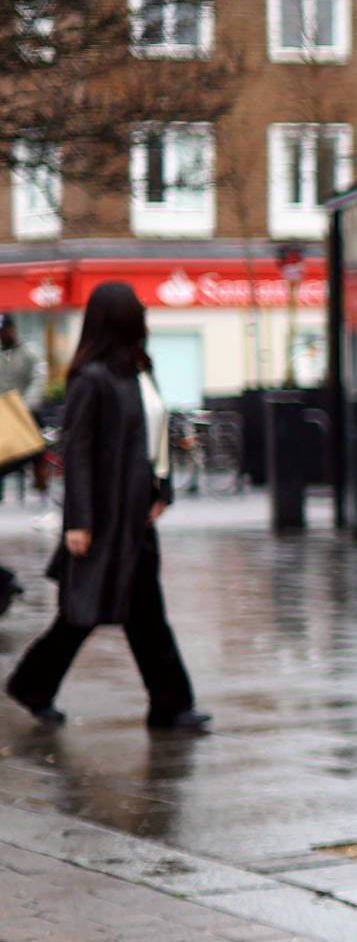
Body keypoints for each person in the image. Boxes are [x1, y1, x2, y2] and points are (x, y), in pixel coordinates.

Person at [6, 283, 207, 731]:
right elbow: (78, 454)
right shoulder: (92, 378)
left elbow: (156, 441)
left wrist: (162, 493)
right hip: (105, 517)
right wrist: (78, 522)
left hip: (138, 514)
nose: (144, 312)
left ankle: (169, 706)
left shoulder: (139, 370)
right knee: (83, 612)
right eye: (136, 308)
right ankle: (34, 685)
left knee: (141, 614)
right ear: (118, 317)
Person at [0, 315, 44, 610]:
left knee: (37, 457)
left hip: (24, 415)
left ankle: (43, 500)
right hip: (2, 418)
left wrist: (25, 408)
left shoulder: (29, 352)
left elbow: (39, 381)